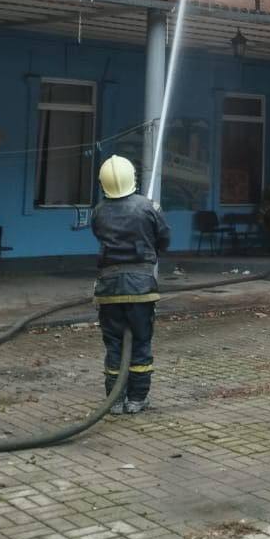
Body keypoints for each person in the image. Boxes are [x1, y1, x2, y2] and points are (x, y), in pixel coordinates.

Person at [91, 154, 170, 416]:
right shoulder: (149, 208)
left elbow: (98, 234)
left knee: (114, 345)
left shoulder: (99, 211)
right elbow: (164, 239)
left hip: (109, 289)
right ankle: (137, 399)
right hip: (141, 289)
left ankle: (114, 400)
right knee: (141, 343)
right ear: (131, 178)